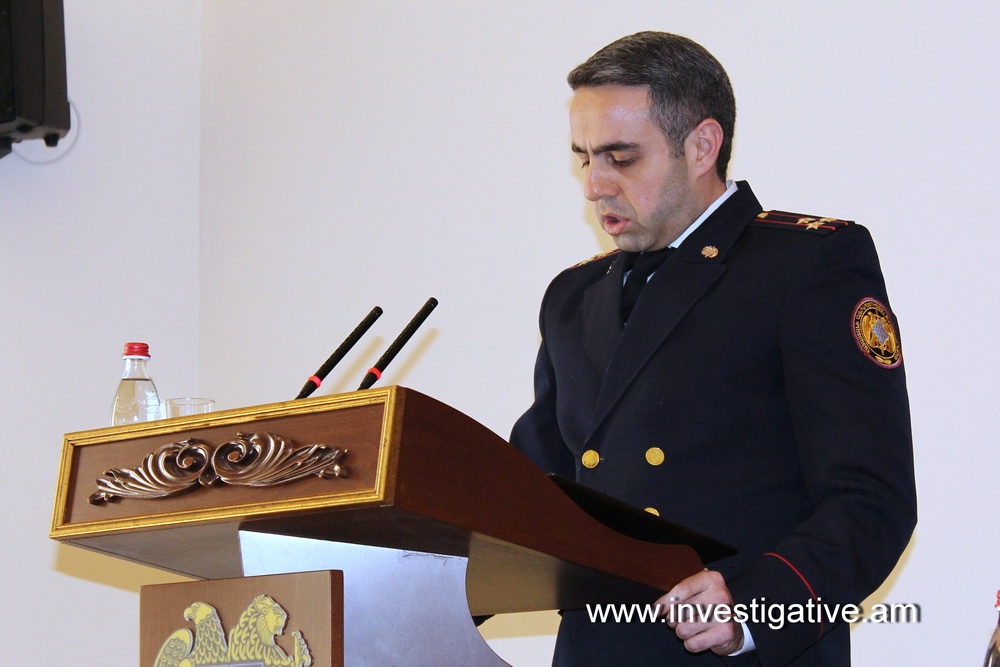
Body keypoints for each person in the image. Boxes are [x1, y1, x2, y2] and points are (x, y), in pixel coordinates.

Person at [509, 31, 917, 666]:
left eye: (621, 158)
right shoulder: (573, 295)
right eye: (584, 158)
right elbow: (529, 492)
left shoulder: (804, 266)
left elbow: (871, 500)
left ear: (702, 146)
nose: (594, 185)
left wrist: (753, 610)